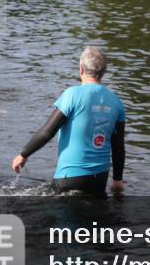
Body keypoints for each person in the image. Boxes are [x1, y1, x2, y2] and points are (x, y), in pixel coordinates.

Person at [12, 46, 126, 197]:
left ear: (81, 69)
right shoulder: (117, 102)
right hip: (99, 179)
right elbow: (118, 145)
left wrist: (23, 154)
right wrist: (117, 179)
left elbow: (48, 132)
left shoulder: (72, 95)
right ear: (104, 72)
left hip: (70, 177)